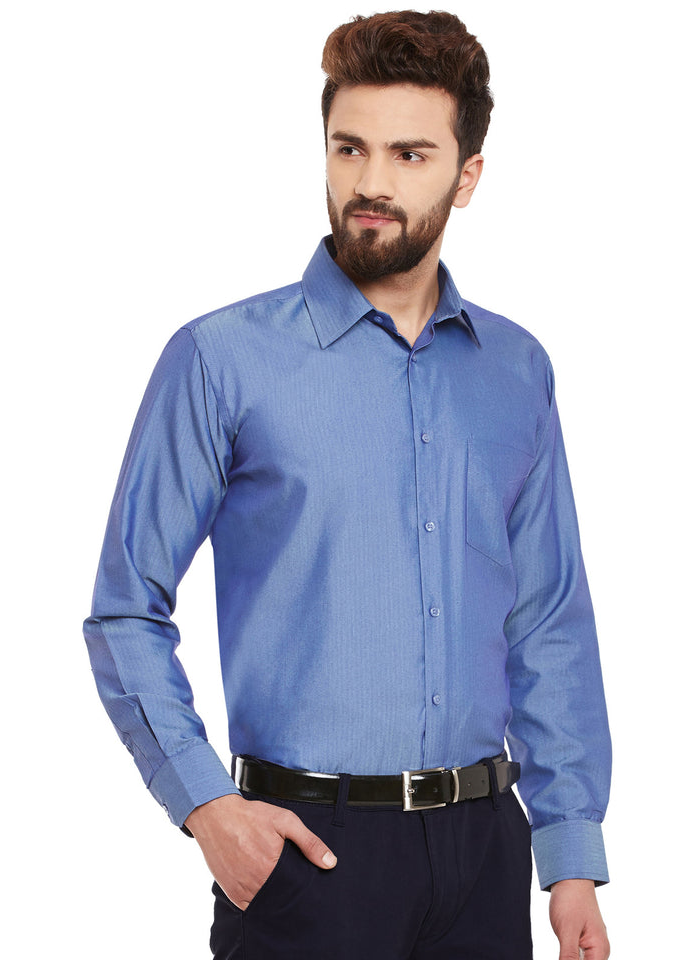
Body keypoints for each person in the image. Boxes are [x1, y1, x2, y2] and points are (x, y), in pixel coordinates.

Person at [84, 10, 611, 959]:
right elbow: (126, 608)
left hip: (488, 854)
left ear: (467, 176)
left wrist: (570, 850)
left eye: (410, 154)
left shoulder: (516, 370)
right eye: (349, 148)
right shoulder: (221, 360)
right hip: (307, 859)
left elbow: (548, 619)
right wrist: (208, 807)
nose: (371, 182)